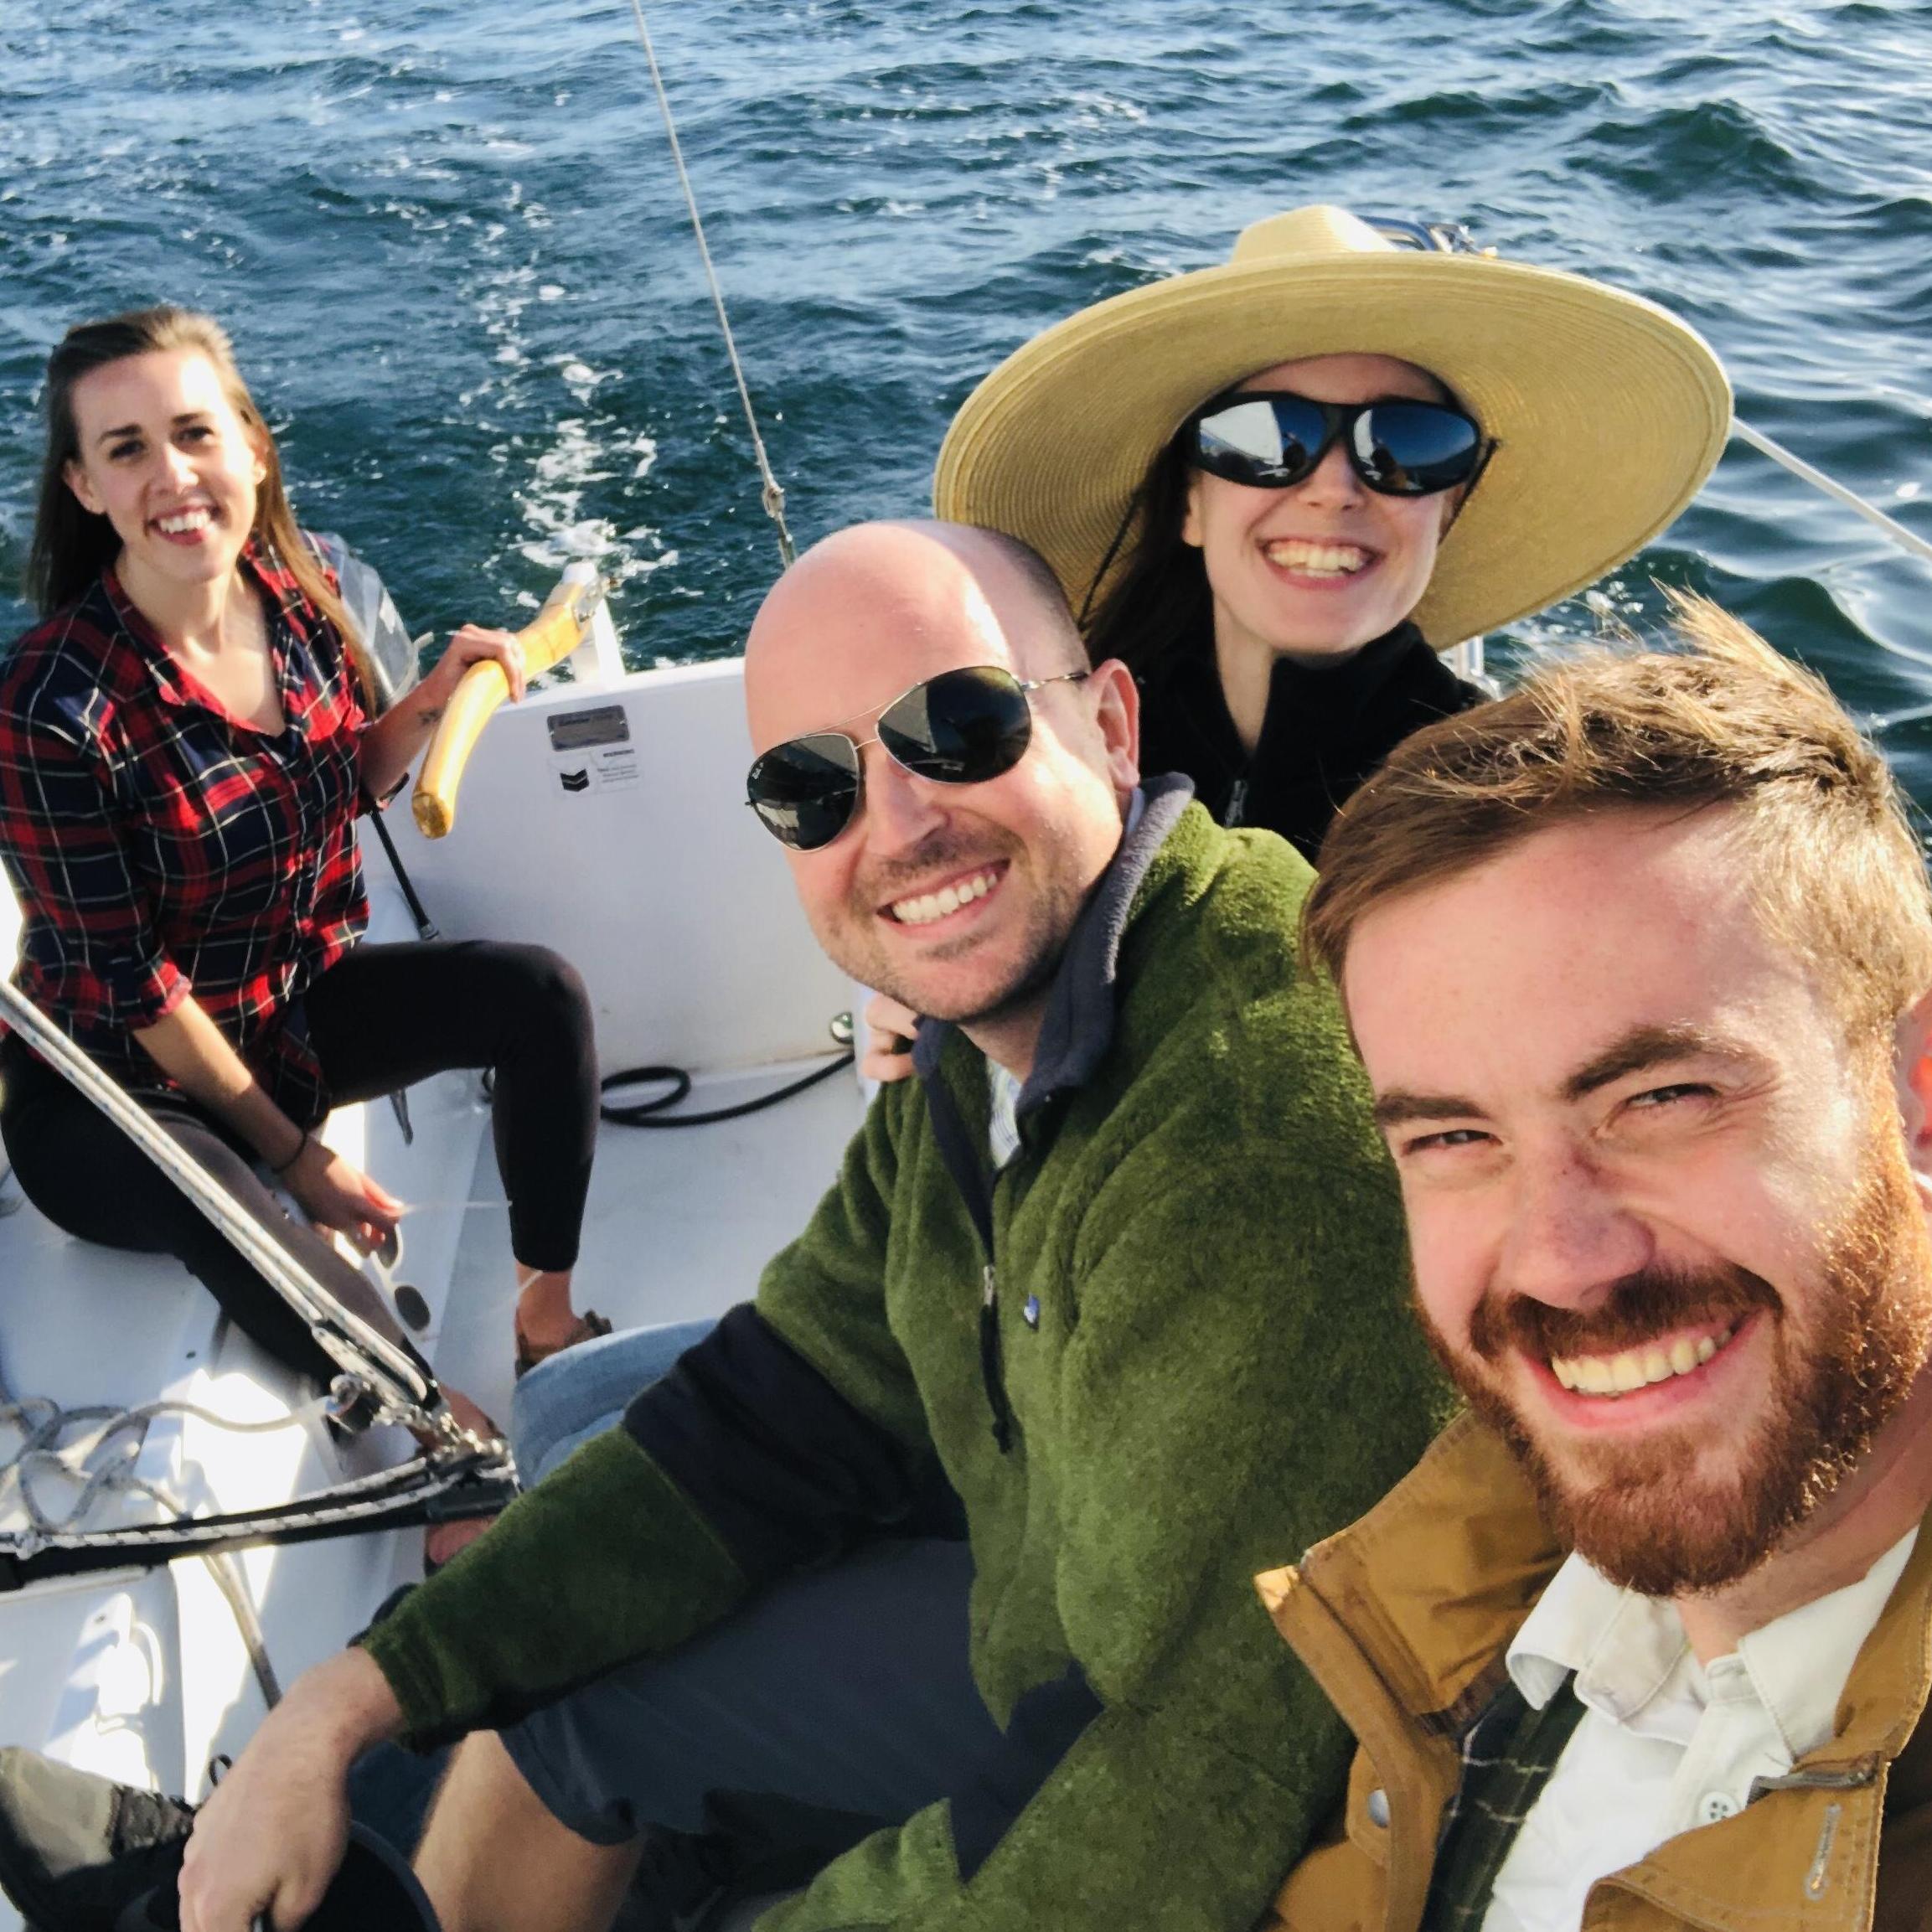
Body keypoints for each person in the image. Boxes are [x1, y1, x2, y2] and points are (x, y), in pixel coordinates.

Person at [165, 520, 1444, 1932]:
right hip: (1045, 1581)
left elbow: (1172, 1788)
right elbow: (787, 1397)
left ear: (1115, 724)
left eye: (961, 724)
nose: (896, 827)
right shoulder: (988, 1031)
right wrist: (346, 1702)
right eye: (812, 787)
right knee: (586, 1483)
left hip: (1213, 1770)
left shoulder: (1251, 1134)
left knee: (586, 1716)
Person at [1255, 599, 1932, 1929]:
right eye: (1456, 1136)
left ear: (1915, 1091)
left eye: (1662, 1098)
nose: (1563, 1264)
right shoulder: (1470, 1568)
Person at [0, 306, 608, 1384]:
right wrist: (296, 1156)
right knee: (226, 1200)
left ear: (250, 444)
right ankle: (430, 1436)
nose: (173, 475)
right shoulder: (53, 705)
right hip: (115, 1092)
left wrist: (427, 700)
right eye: (127, 449)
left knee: (539, 996)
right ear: (85, 487)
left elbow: (338, 784)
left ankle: (544, 1322)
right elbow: (135, 989)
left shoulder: (306, 588)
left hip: (288, 1011)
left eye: (194, 433)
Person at [933, 201, 1732, 862]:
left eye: (1408, 445)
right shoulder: (1051, 739)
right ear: (1189, 503)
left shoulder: (1503, 807)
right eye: (1265, 438)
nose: (1334, 488)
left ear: (1447, 510)